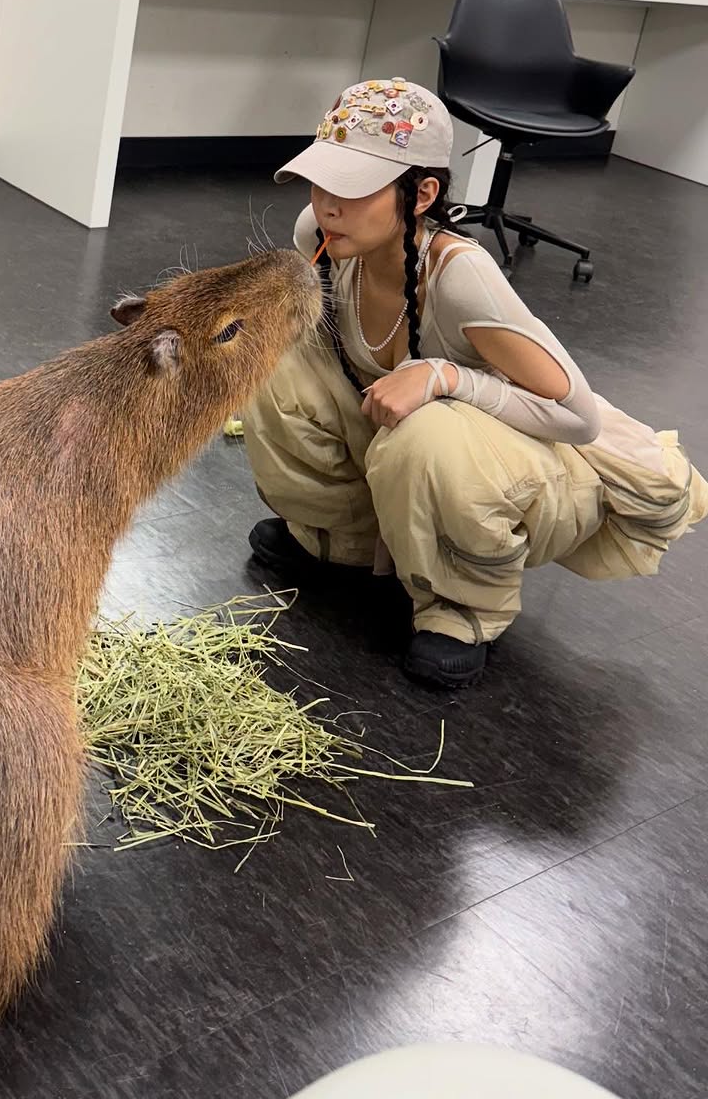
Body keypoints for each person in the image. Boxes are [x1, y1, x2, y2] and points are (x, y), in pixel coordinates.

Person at [242, 78, 707, 687]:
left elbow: (577, 416)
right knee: (269, 364)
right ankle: (347, 542)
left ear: (421, 193)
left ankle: (463, 607)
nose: (328, 204)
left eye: (353, 189)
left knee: (425, 432)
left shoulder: (461, 276)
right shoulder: (323, 238)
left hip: (525, 466)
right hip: (405, 436)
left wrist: (445, 375)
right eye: (322, 180)